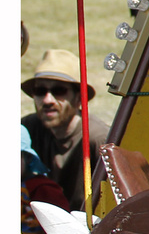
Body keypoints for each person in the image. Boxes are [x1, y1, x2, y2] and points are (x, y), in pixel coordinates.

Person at [20, 50, 109, 212]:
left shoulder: (98, 139)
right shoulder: (27, 128)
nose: (48, 100)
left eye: (59, 91)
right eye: (40, 91)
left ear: (78, 98)